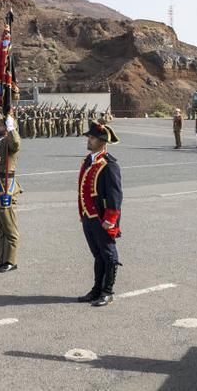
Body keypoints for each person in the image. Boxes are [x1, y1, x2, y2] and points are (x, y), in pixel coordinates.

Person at [76, 120, 123, 307]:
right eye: (89, 136)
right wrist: (83, 214)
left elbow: (115, 194)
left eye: (93, 137)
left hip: (102, 218)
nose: (89, 139)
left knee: (109, 254)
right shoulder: (88, 160)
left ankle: (107, 291)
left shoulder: (109, 164)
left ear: (102, 141)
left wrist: (111, 219)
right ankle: (97, 289)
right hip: (88, 216)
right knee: (97, 254)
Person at [0, 114, 22, 273]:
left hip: (5, 187)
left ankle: (11, 261)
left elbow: (16, 143)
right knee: (1, 226)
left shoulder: (9, 141)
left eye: (1, 125)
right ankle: (2, 259)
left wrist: (11, 127)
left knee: (9, 227)